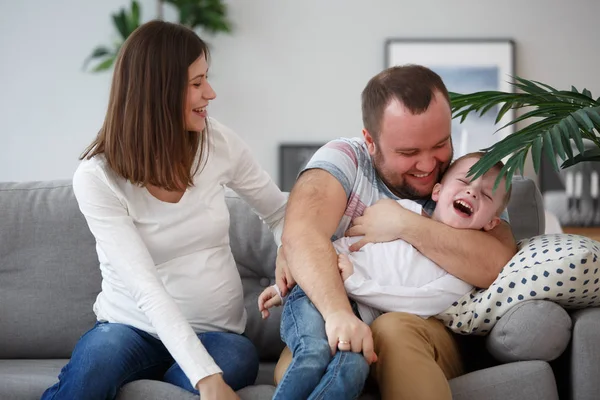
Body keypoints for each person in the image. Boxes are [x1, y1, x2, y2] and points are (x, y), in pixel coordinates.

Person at [40, 20, 286, 400]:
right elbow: (146, 288)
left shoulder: (217, 142)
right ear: (158, 92)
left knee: (236, 362)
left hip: (217, 333)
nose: (211, 93)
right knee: (94, 368)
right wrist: (206, 379)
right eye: (197, 83)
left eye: (207, 78)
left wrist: (289, 256)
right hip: (128, 329)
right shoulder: (96, 177)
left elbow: (280, 212)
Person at [273, 65, 517, 400]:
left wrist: (403, 223)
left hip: (422, 331)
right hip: (346, 313)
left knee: (392, 329)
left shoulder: (466, 180)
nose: (429, 165)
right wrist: (339, 315)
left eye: (440, 144)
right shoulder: (346, 161)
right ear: (370, 141)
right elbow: (301, 235)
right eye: (409, 152)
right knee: (299, 365)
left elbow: (496, 263)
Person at [258, 152, 511, 399]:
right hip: (316, 299)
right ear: (437, 192)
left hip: (354, 309)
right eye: (464, 181)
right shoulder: (400, 210)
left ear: (492, 223)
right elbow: (347, 246)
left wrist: (355, 284)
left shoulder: (462, 272)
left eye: (486, 194)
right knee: (312, 354)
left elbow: (414, 304)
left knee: (350, 369)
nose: (472, 191)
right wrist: (286, 285)